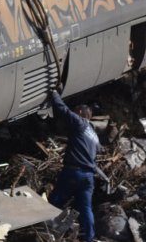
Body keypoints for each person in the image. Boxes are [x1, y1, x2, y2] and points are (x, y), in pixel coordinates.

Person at [48, 89, 99, 242]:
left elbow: (63, 110)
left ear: (81, 113)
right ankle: (90, 238)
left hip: (73, 172)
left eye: (76, 111)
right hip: (88, 177)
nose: (74, 114)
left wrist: (54, 93)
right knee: (86, 208)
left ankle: (46, 228)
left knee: (56, 200)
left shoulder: (80, 123)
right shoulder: (95, 136)